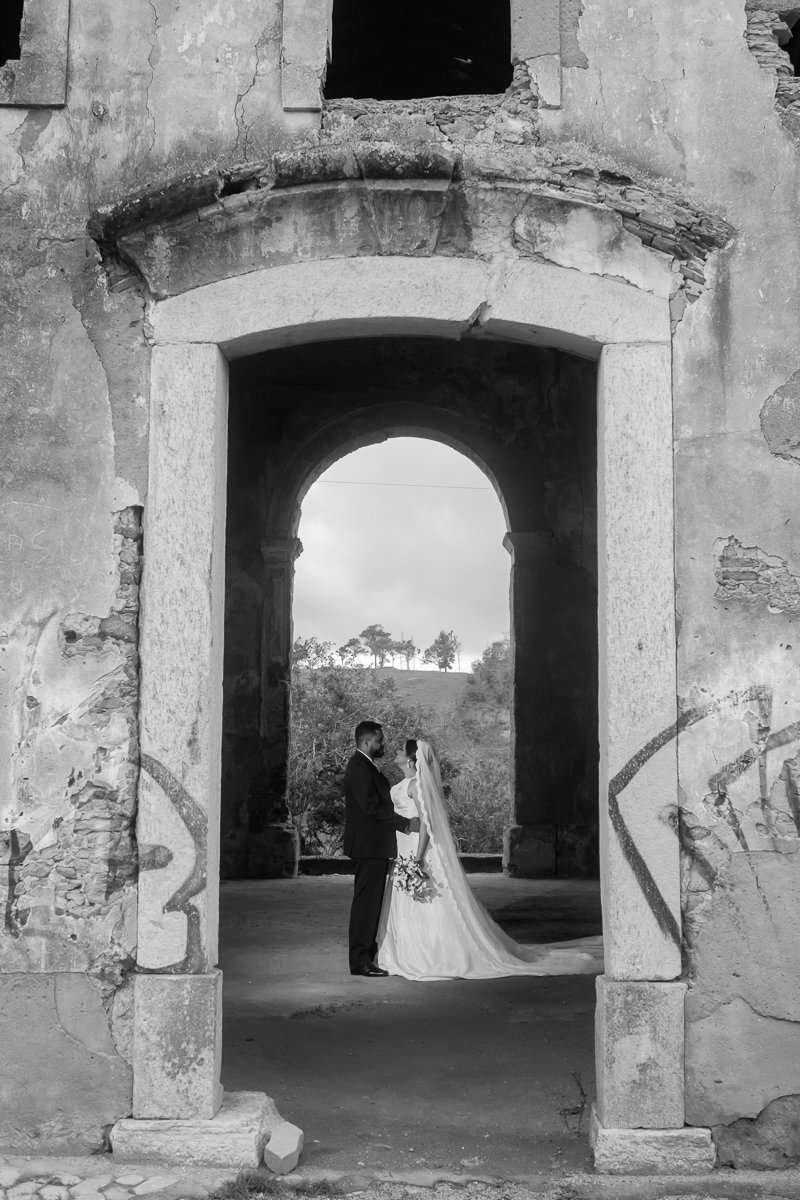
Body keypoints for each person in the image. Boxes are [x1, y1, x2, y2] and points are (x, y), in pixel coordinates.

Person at [376, 738, 604, 981]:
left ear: (411, 758)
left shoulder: (417, 784)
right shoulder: (405, 783)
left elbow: (426, 823)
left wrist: (419, 857)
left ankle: (433, 952)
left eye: (401, 749)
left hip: (417, 849)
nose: (396, 751)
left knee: (431, 898)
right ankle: (408, 948)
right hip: (405, 848)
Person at [344, 719, 421, 977]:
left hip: (373, 846)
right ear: (366, 742)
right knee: (366, 904)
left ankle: (369, 955)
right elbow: (371, 809)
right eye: (379, 740)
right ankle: (360, 961)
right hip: (368, 847)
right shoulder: (360, 768)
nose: (383, 744)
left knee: (372, 903)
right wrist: (406, 825)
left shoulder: (366, 766)